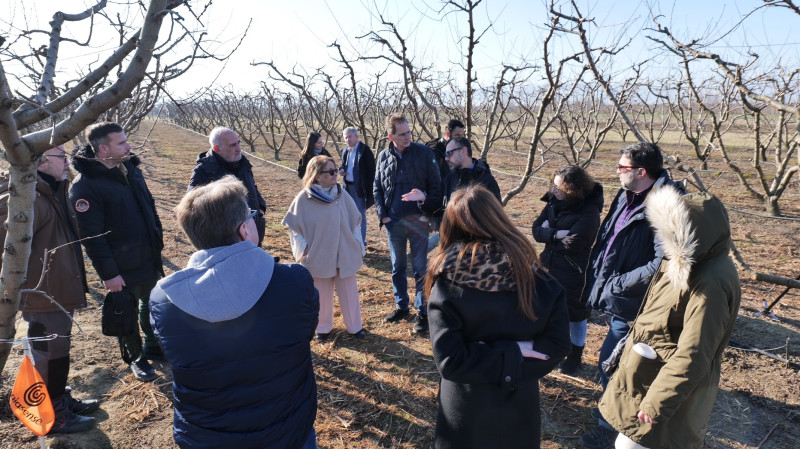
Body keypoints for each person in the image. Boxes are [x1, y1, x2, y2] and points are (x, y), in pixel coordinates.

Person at [150, 176, 319, 448]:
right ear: (243, 230)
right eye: (252, 216)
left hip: (206, 435)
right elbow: (306, 329)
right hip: (287, 429)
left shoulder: (164, 299)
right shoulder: (295, 281)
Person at [426, 185, 571, 449]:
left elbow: (451, 361)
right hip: (519, 401)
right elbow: (558, 345)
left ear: (449, 228)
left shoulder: (448, 284)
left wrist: (489, 354)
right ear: (499, 218)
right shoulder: (537, 277)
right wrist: (515, 352)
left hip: (464, 406)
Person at [598, 187, 741, 449]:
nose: (663, 237)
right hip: (646, 379)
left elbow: (694, 353)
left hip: (660, 393)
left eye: (672, 230)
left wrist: (657, 403)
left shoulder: (709, 281)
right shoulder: (683, 261)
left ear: (692, 231)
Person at [579, 142, 683, 449]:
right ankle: (613, 418)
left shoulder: (667, 205)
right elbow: (610, 238)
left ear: (641, 171)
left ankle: (610, 427)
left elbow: (663, 263)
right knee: (614, 363)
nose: (617, 172)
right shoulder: (628, 195)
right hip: (620, 297)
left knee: (618, 367)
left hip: (637, 304)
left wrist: (616, 283)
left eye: (622, 167)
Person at [0, 146, 99, 433]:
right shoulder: (25, 198)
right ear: (41, 161)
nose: (67, 161)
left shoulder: (52, 191)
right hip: (42, 294)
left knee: (58, 351)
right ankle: (52, 414)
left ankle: (58, 399)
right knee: (48, 354)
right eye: (61, 157)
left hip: (57, 289)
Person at [70, 122, 165, 382]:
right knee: (127, 311)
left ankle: (154, 346)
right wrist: (109, 274)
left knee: (152, 302)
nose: (129, 145)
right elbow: (92, 238)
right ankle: (135, 358)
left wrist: (157, 239)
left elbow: (150, 208)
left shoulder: (131, 170)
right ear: (103, 149)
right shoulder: (85, 187)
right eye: (121, 142)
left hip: (148, 254)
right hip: (121, 264)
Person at [283, 156, 366, 340]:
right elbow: (294, 227)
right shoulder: (304, 198)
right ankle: (323, 328)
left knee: (349, 290)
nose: (335, 174)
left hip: (344, 251)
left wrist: (358, 244)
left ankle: (355, 327)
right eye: (330, 172)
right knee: (321, 293)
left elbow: (355, 221)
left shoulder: (341, 194)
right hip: (319, 254)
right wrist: (304, 250)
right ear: (317, 175)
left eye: (335, 170)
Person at [373, 113, 442, 335]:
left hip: (419, 222)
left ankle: (422, 311)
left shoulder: (424, 153)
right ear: (390, 136)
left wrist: (426, 211)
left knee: (421, 268)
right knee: (397, 267)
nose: (408, 137)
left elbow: (436, 187)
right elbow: (377, 187)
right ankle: (401, 306)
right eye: (402, 134)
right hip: (394, 223)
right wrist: (383, 215)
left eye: (409, 132)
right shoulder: (383, 156)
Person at [531, 165, 603, 375]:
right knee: (547, 309)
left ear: (572, 188)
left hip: (574, 270)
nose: (554, 191)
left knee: (575, 313)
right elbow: (536, 230)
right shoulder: (554, 202)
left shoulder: (589, 210)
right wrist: (555, 235)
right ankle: (552, 350)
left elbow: (575, 243)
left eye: (559, 187)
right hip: (547, 266)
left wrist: (548, 232)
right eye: (553, 186)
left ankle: (574, 356)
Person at [188, 126, 267, 244]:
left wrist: (260, 207)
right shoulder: (203, 171)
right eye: (233, 145)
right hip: (226, 240)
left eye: (238, 143)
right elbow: (192, 207)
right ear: (217, 148)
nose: (239, 149)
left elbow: (252, 186)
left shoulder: (242, 163)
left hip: (252, 232)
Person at [339, 126, 376, 248]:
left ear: (356, 136)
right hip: (347, 188)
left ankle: (361, 244)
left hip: (359, 188)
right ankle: (351, 241)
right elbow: (343, 165)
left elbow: (372, 172)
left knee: (360, 216)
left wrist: (369, 190)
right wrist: (341, 170)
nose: (348, 139)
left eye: (350, 136)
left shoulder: (365, 151)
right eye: (346, 137)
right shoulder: (345, 151)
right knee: (348, 215)